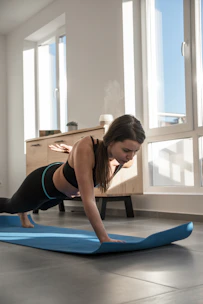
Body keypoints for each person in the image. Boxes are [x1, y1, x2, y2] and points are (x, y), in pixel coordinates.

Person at [0, 115, 145, 243]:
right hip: (42, 184)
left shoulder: (124, 160)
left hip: (59, 195)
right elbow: (88, 200)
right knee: (12, 206)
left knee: (42, 206)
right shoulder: (87, 144)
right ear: (111, 141)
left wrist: (71, 151)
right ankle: (22, 211)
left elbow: (95, 158)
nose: (130, 156)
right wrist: (104, 238)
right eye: (126, 150)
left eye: (135, 151)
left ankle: (24, 211)